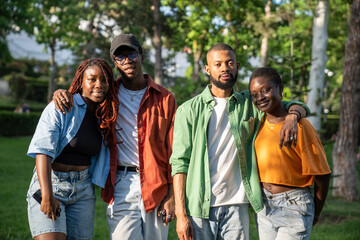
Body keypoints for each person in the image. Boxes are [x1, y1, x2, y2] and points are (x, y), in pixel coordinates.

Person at [170, 43, 309, 240]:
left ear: (237, 65)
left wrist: (293, 117)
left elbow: (294, 105)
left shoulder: (249, 103)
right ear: (208, 69)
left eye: (229, 63)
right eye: (218, 64)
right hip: (199, 206)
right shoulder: (188, 110)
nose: (225, 68)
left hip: (237, 205)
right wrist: (181, 213)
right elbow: (179, 164)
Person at [52, 34, 177, 240]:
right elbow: (81, 95)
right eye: (120, 57)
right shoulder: (107, 96)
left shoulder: (165, 98)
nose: (127, 61)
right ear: (115, 62)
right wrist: (59, 92)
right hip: (120, 182)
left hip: (157, 185)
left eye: (132, 54)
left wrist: (171, 196)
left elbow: (174, 151)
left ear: (141, 56)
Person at [26, 58, 119, 240]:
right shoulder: (62, 106)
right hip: (51, 184)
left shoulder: (107, 116)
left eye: (104, 80)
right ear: (81, 81)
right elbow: (42, 152)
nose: (98, 85)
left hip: (83, 190)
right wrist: (47, 196)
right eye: (92, 79)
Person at [249, 67, 331, 240]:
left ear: (280, 88)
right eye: (254, 94)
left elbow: (322, 175)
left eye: (266, 90)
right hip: (265, 206)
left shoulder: (301, 127)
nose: (260, 98)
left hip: (294, 205)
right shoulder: (258, 123)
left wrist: (315, 212)